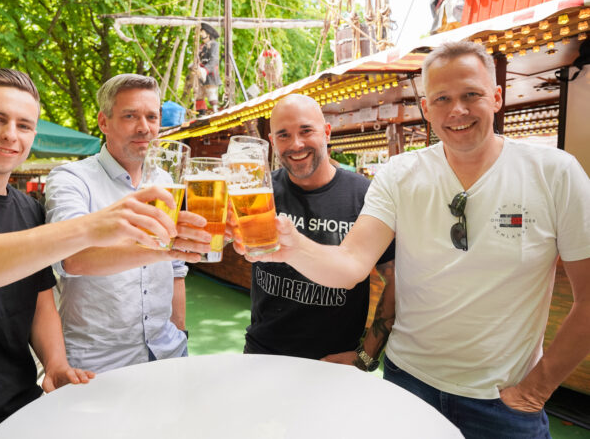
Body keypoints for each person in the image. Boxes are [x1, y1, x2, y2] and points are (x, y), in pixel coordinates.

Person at [238, 42, 590, 438]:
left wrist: (536, 389)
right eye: (442, 99)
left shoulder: (555, 174)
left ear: (496, 97)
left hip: (501, 400)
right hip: (408, 384)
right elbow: (351, 265)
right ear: (426, 108)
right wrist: (289, 244)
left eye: (470, 94)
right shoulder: (399, 174)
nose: (457, 110)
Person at [0, 69, 186, 438]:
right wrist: (94, 226)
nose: (10, 134)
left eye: (24, 125)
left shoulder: (30, 210)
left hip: (17, 406)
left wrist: (56, 363)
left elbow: (41, 300)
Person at [45, 74, 210, 373]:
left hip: (168, 351)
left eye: (152, 117)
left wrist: (180, 331)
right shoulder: (71, 179)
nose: (144, 127)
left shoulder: (165, 180)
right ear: (103, 122)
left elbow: (176, 272)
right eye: (130, 116)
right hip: (97, 363)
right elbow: (72, 259)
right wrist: (164, 248)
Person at [241, 93, 396, 363]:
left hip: (333, 363)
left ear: (326, 132)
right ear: (272, 142)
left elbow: (396, 280)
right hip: (261, 355)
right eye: (284, 135)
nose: (296, 144)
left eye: (306, 131)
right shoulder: (260, 192)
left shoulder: (365, 195)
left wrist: (367, 355)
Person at [194, 22, 221, 114]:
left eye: (202, 32)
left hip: (210, 73)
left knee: (211, 92)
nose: (201, 34)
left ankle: (215, 111)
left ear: (208, 34)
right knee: (199, 93)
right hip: (200, 73)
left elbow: (214, 59)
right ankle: (201, 113)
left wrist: (205, 70)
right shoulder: (201, 46)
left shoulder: (214, 44)